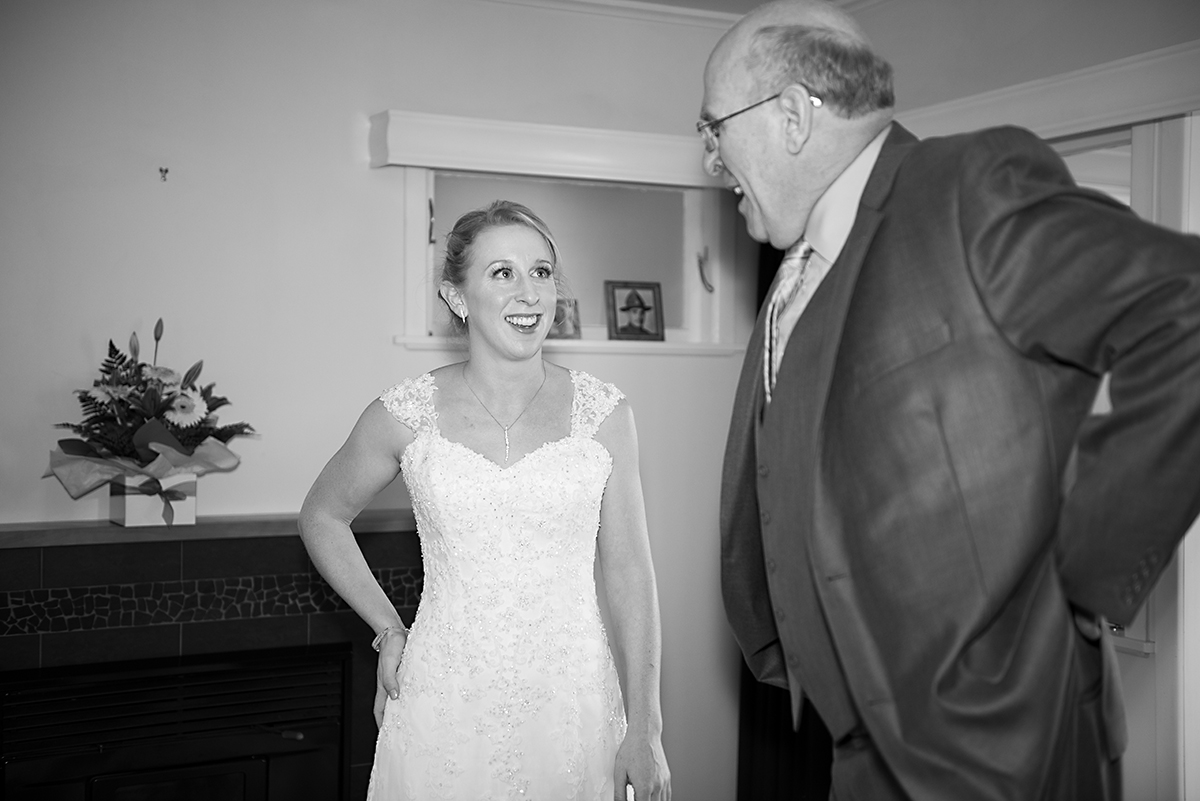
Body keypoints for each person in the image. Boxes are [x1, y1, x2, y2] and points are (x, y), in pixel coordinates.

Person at [703, 2, 1200, 799]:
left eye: (714, 128)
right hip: (855, 751)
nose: (711, 159)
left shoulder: (968, 186)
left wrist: (1087, 578)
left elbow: (1186, 311)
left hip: (1003, 749)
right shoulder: (791, 280)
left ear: (791, 116)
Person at [298, 200, 671, 800]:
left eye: (542, 272)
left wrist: (646, 726)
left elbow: (630, 572)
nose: (529, 294)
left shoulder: (605, 416)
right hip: (443, 703)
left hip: (572, 707)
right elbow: (322, 516)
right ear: (457, 297)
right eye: (503, 273)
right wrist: (388, 629)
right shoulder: (404, 414)